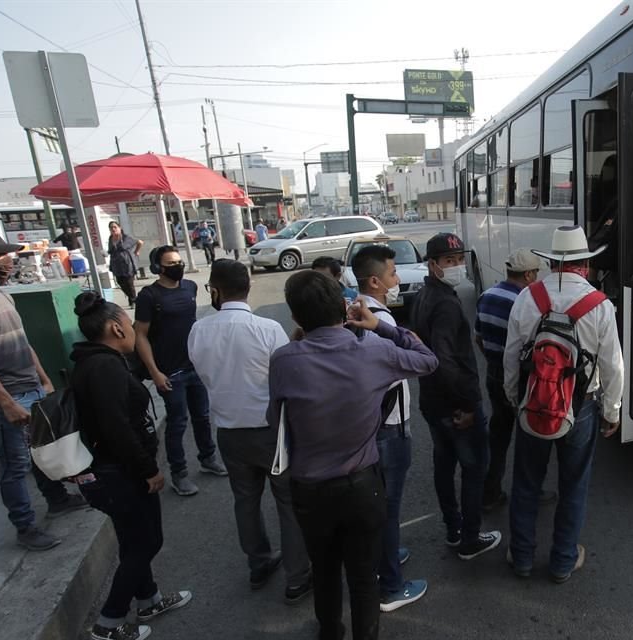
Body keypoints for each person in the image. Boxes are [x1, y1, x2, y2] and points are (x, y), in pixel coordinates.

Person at [268, 270, 437, 640]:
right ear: (345, 308)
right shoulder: (373, 350)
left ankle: (330, 632)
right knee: (363, 576)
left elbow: (276, 418)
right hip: (361, 484)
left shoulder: (284, 360)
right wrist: (382, 326)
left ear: (295, 317)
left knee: (325, 572)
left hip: (309, 489)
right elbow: (427, 359)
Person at [0, 225, 87, 550]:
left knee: (39, 453)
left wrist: (44, 377)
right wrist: (6, 402)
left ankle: (57, 499)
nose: (8, 261)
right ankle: (25, 528)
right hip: (8, 396)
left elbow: (21, 341)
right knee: (16, 464)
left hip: (32, 387)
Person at [502, 226, 624, 583]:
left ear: (552, 263)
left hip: (533, 402)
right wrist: (611, 411)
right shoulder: (600, 305)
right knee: (574, 485)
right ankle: (562, 561)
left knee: (526, 482)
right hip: (581, 406)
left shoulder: (527, 297)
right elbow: (613, 366)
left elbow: (511, 356)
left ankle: (522, 558)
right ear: (585, 264)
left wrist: (514, 397)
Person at [187, 260, 313, 602]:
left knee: (245, 501)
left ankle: (258, 563)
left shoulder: (199, 330)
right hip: (270, 430)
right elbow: (283, 372)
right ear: (248, 287)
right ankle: (297, 577)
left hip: (229, 431)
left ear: (215, 290)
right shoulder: (267, 328)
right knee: (287, 502)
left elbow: (205, 375)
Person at [69, 291, 191, 640]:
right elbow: (116, 429)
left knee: (134, 541)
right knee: (146, 542)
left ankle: (149, 599)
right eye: (128, 322)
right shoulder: (103, 366)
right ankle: (109, 622)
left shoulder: (99, 361)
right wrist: (147, 470)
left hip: (118, 469)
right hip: (120, 473)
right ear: (115, 329)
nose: (134, 328)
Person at [411, 232, 501, 560]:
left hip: (432, 402)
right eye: (449, 261)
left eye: (460, 259)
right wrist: (465, 406)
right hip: (455, 405)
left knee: (444, 465)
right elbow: (444, 360)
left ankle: (453, 529)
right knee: (474, 469)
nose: (458, 266)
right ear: (433, 265)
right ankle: (470, 538)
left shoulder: (425, 295)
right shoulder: (446, 304)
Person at [351, 245, 426, 612]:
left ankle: (388, 555)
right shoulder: (380, 321)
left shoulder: (354, 310)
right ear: (376, 280)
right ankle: (392, 586)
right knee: (389, 507)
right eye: (394, 274)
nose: (398, 279)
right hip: (389, 424)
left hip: (372, 422)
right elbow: (422, 361)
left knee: (383, 504)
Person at [135, 246, 226, 497]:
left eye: (179, 261)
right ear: (157, 267)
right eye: (170, 263)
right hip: (169, 372)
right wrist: (154, 372)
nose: (177, 266)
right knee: (177, 423)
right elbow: (140, 335)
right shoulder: (149, 296)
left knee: (203, 416)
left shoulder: (190, 288)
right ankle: (179, 473)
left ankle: (208, 458)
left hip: (194, 367)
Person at [475, 248, 556, 512]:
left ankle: (490, 491)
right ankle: (529, 493)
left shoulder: (487, 295)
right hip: (517, 378)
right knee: (528, 438)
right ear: (529, 274)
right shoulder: (524, 303)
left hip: (493, 372)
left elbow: (479, 337)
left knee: (498, 435)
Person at [107, 221, 143, 309]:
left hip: (127, 264)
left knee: (129, 283)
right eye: (111, 227)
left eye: (115, 227)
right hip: (116, 264)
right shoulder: (111, 239)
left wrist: (137, 251)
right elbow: (111, 250)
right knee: (120, 282)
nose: (113, 229)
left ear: (120, 228)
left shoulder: (126, 238)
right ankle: (134, 299)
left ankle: (133, 301)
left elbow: (140, 242)